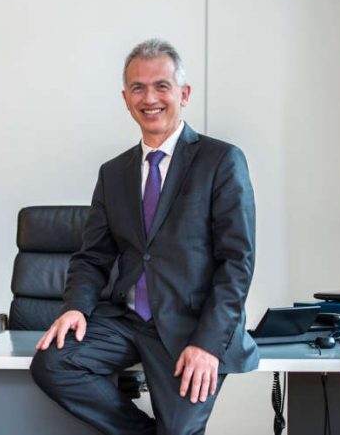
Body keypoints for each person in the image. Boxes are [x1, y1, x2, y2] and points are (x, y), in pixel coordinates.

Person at [31, 38, 259, 435]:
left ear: (183, 94)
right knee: (53, 363)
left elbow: (236, 263)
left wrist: (207, 344)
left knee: (180, 430)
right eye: (138, 88)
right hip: (128, 320)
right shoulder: (114, 172)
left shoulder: (220, 160)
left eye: (161, 86)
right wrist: (75, 308)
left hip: (191, 324)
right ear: (125, 98)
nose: (149, 97)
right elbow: (93, 256)